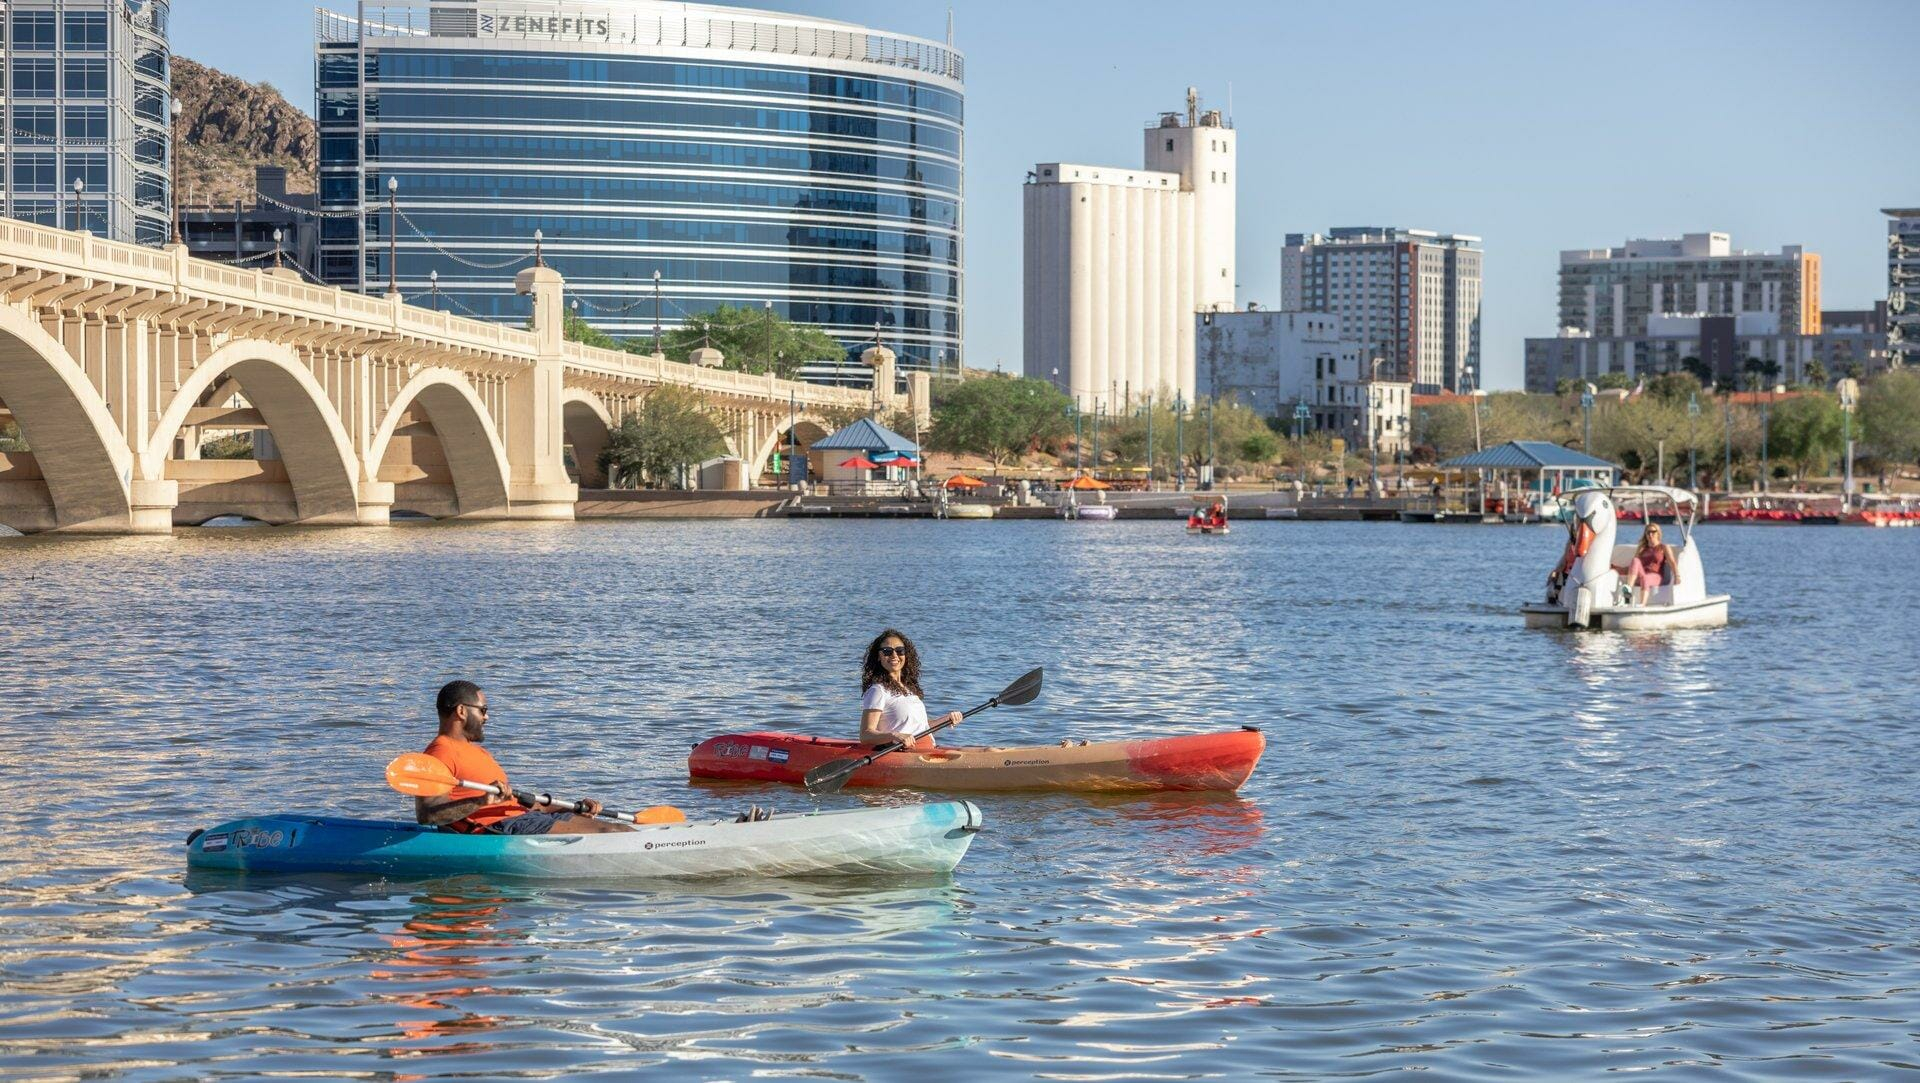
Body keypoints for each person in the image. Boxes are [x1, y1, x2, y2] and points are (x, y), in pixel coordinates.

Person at [416, 680, 631, 834]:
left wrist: (574, 807)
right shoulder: (440, 752)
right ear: (462, 711)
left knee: (624, 829)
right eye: (483, 710)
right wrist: (481, 801)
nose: (487, 716)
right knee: (611, 831)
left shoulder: (479, 753)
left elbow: (518, 803)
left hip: (523, 817)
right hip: (500, 826)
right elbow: (428, 815)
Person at [860, 630, 962, 749]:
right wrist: (894, 736)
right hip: (904, 753)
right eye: (887, 651)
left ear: (906, 654)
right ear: (878, 656)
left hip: (929, 749)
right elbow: (865, 735)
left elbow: (921, 728)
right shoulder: (878, 690)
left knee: (989, 750)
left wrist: (946, 720)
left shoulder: (909, 689)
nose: (894, 655)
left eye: (899, 651)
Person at [1621, 522, 1679, 606]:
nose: (1650, 534)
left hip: (1657, 576)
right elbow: (1633, 567)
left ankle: (1642, 604)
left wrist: (1677, 576)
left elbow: (1672, 562)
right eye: (1648, 532)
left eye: (1653, 532)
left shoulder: (1663, 547)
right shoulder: (1642, 549)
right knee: (1635, 560)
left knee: (1645, 578)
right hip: (1642, 575)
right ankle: (1628, 592)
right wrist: (1616, 568)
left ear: (1658, 533)